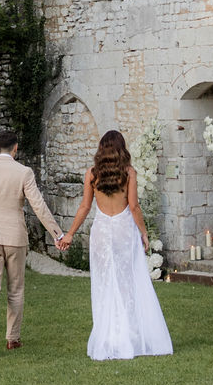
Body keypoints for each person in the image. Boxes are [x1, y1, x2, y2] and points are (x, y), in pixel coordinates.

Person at [59, 129, 173, 362]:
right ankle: (128, 335)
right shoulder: (129, 173)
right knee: (127, 283)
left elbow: (84, 207)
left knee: (104, 282)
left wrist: (69, 234)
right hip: (123, 231)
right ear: (122, 149)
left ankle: (110, 336)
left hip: (102, 231)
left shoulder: (92, 174)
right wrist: (144, 233)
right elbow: (133, 207)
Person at [0, 127, 64, 359]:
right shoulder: (23, 172)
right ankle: (13, 338)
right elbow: (38, 206)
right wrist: (57, 233)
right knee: (15, 288)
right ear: (15, 148)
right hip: (14, 236)